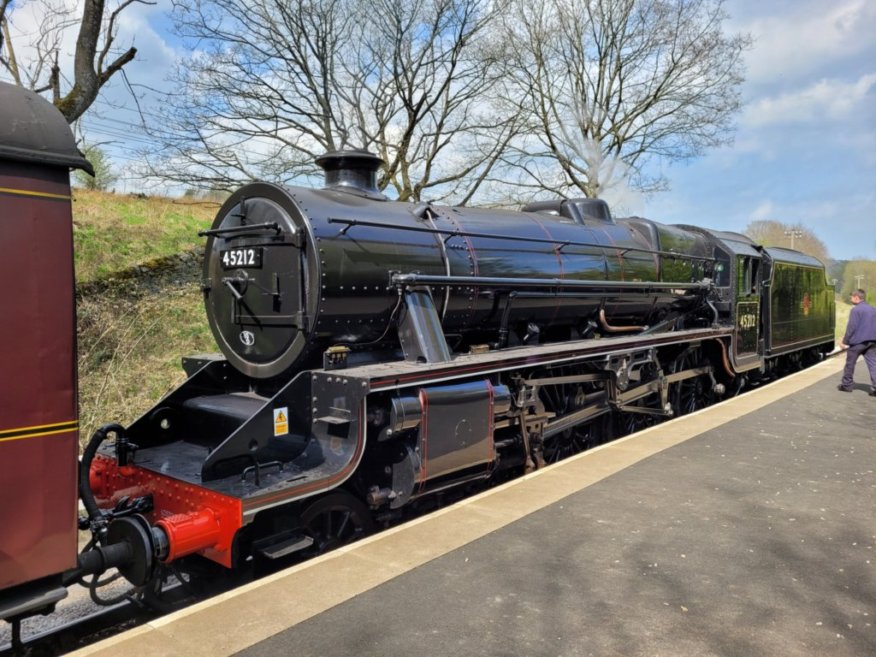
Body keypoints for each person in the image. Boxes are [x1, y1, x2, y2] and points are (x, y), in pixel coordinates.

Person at [837, 288, 876, 395]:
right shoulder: (873, 309)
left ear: (856, 298)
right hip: (872, 341)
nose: (850, 299)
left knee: (850, 363)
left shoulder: (856, 310)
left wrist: (845, 341)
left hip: (858, 342)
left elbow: (851, 327)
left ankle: (847, 385)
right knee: (873, 364)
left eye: (851, 297)